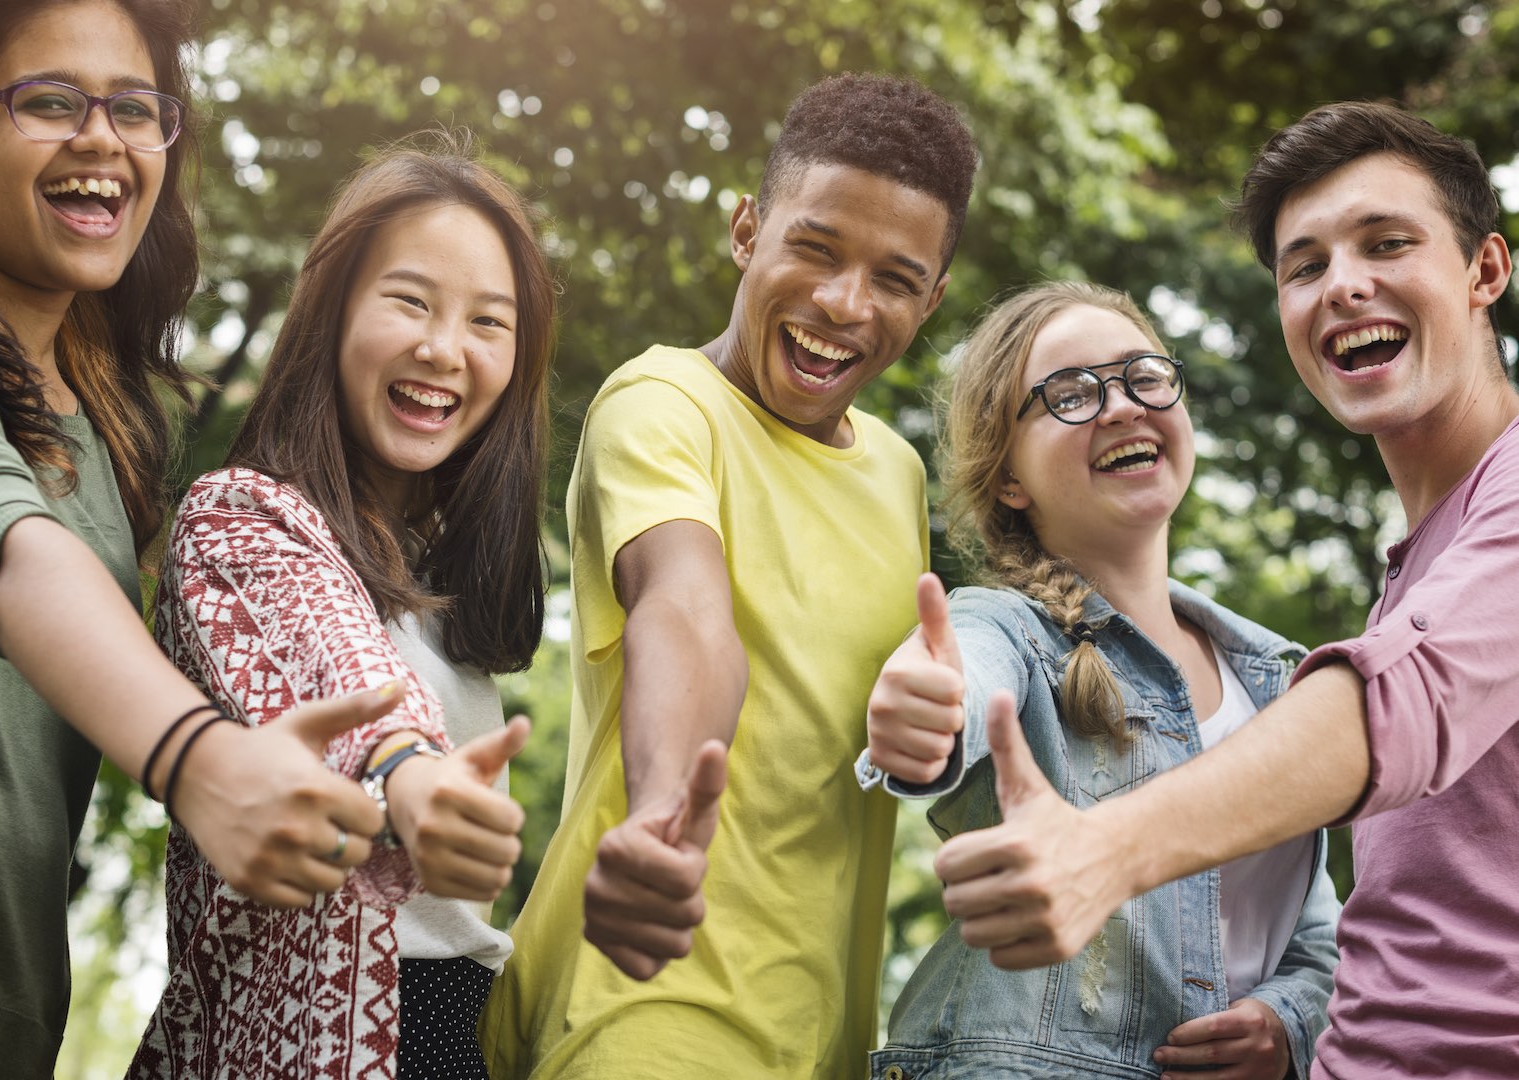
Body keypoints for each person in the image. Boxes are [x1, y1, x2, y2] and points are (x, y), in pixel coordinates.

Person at [924, 103, 1519, 1078]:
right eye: (1305, 265)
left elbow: (1400, 702)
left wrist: (1100, 852)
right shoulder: (1420, 565)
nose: (1344, 285)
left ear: (1484, 271)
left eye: (1387, 243)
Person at [0, 2, 406, 1077]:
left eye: (136, 109)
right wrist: (197, 761)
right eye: (48, 101)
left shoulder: (111, 426)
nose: (103, 138)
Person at [479, 73, 976, 1079]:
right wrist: (665, 812)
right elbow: (687, 608)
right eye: (815, 248)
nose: (843, 304)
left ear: (933, 299)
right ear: (748, 230)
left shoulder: (895, 472)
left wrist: (935, 735)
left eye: (892, 277)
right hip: (643, 1007)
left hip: (822, 1035)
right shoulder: (664, 404)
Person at [126, 135, 555, 1079]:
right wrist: (410, 772)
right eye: (410, 301)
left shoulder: (449, 595)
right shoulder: (239, 520)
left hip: (456, 1038)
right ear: (334, 313)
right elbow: (331, 662)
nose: (443, 349)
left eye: (490, 321)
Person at [860, 281, 1339, 1080]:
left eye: (1142, 376)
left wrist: (1286, 1022)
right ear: (1009, 478)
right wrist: (928, 708)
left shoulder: (1279, 682)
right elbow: (964, 675)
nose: (1119, 406)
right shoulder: (1007, 630)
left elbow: (1318, 935)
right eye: (1070, 394)